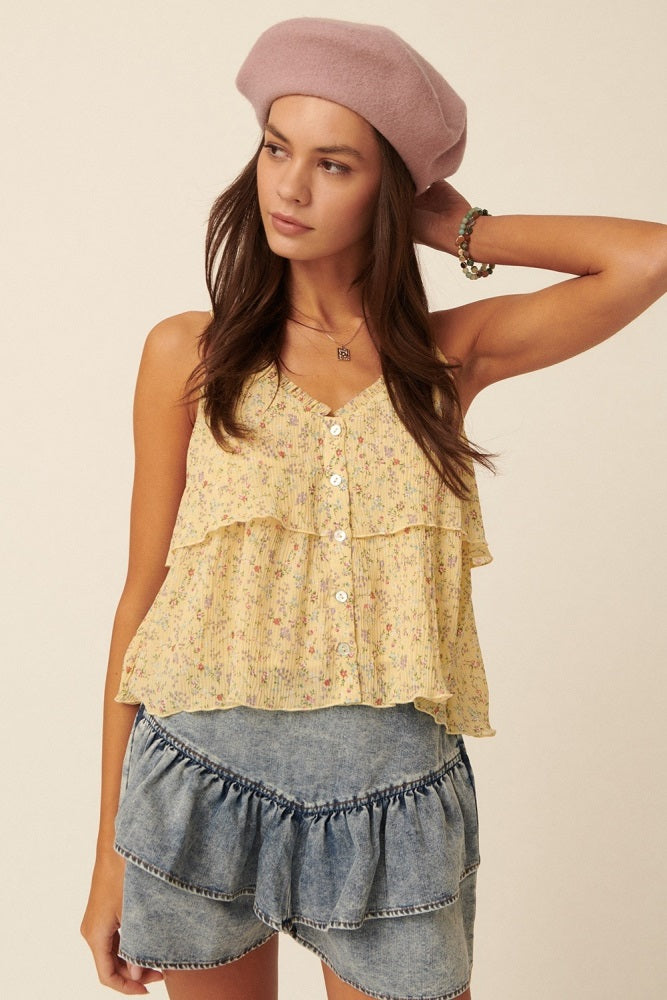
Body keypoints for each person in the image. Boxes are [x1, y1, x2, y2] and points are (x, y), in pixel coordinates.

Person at [80, 16, 667, 1000]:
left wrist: (462, 228)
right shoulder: (188, 354)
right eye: (276, 149)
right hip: (198, 780)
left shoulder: (443, 359)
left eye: (335, 164)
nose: (289, 188)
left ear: (387, 188)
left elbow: (648, 259)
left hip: (391, 804)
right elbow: (142, 596)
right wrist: (109, 854)